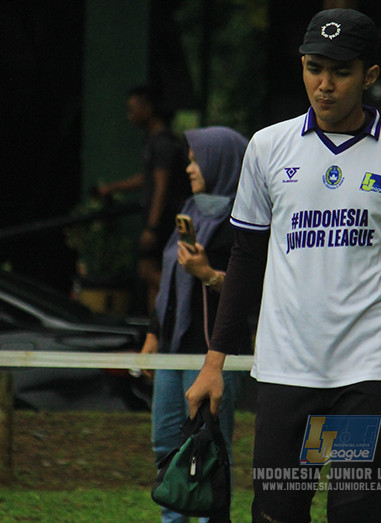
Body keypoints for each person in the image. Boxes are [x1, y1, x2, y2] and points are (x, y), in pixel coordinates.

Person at [186, 8, 381, 523]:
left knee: (353, 515)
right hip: (287, 369)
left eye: (341, 72)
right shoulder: (268, 148)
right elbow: (247, 259)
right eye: (314, 67)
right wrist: (214, 363)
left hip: (364, 375)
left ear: (370, 76)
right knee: (278, 512)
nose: (325, 84)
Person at [142, 125, 251, 523]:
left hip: (213, 351)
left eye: (196, 159)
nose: (189, 167)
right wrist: (153, 335)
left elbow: (252, 291)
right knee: (165, 444)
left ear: (220, 161)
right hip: (173, 349)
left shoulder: (245, 220)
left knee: (208, 446)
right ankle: (172, 518)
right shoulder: (189, 210)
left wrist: (207, 273)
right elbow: (169, 280)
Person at [95, 85, 191, 313]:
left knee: (151, 272)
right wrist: (112, 188)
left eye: (133, 108)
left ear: (148, 108)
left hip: (165, 221)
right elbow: (149, 178)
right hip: (163, 221)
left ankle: (187, 301)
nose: (130, 115)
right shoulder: (154, 142)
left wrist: (152, 226)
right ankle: (155, 333)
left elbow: (161, 186)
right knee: (149, 276)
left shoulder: (163, 143)